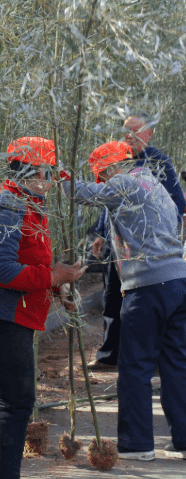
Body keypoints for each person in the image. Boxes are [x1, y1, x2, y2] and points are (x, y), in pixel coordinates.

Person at [0, 137, 85, 479]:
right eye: (50, 174)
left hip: (9, 316)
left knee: (7, 408)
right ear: (35, 171)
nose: (52, 182)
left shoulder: (27, 204)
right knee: (14, 408)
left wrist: (57, 285)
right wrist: (53, 275)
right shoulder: (10, 204)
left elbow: (26, 264)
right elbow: (0, 270)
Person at [69, 140, 186, 461]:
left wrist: (52, 175)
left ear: (108, 170)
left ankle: (137, 445)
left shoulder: (123, 181)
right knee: (175, 363)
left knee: (135, 365)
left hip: (147, 286)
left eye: (102, 177)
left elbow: (82, 193)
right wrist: (106, 235)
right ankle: (184, 439)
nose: (103, 183)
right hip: (178, 281)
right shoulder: (152, 181)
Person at [88, 113, 185, 371]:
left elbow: (176, 204)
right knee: (112, 298)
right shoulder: (115, 160)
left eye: (134, 130)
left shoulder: (158, 162)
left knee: (146, 305)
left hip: (147, 250)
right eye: (125, 131)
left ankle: (149, 357)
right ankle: (110, 354)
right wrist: (100, 233)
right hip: (118, 245)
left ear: (149, 133)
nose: (128, 136)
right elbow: (106, 200)